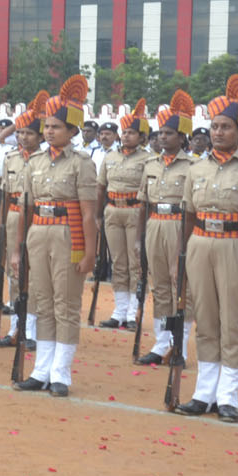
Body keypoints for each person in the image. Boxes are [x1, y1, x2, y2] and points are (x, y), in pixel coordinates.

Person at [174, 75, 238, 424]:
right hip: (201, 244)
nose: (218, 132)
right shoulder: (196, 168)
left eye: (226, 127)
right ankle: (204, 393)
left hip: (237, 246)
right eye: (215, 126)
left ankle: (228, 396)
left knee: (233, 321)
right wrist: (182, 257)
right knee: (205, 319)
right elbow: (188, 216)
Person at [11, 76, 99, 397]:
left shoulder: (82, 164)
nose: (48, 131)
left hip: (68, 234)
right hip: (38, 233)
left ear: (73, 131)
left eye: (56, 127)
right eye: (47, 126)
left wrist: (90, 253)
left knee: (66, 303)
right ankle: (41, 370)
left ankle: (61, 372)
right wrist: (19, 249)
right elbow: (26, 207)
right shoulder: (34, 161)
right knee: (42, 301)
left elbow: (89, 212)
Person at [137, 92, 199, 365]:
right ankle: (162, 343)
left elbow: (195, 208)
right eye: (160, 133)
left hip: (180, 226)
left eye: (169, 133)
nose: (163, 137)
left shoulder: (194, 165)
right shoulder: (149, 164)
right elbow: (143, 203)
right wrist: (141, 237)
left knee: (180, 286)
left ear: (182, 137)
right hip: (155, 225)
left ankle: (180, 346)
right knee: (159, 285)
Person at [0, 96, 48, 349]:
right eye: (21, 132)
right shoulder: (11, 159)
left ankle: (32, 330)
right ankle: (15, 327)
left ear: (41, 137)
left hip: (38, 219)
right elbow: (5, 197)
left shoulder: (46, 159)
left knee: (35, 274)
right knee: (14, 275)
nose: (23, 137)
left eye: (29, 133)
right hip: (14, 216)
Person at [96, 102, 153, 331]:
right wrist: (98, 216)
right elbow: (101, 187)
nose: (127, 136)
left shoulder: (147, 160)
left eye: (132, 133)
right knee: (118, 262)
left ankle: (133, 312)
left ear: (142, 137)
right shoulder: (110, 157)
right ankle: (119, 311)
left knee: (135, 263)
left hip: (135, 212)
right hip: (112, 211)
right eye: (125, 132)